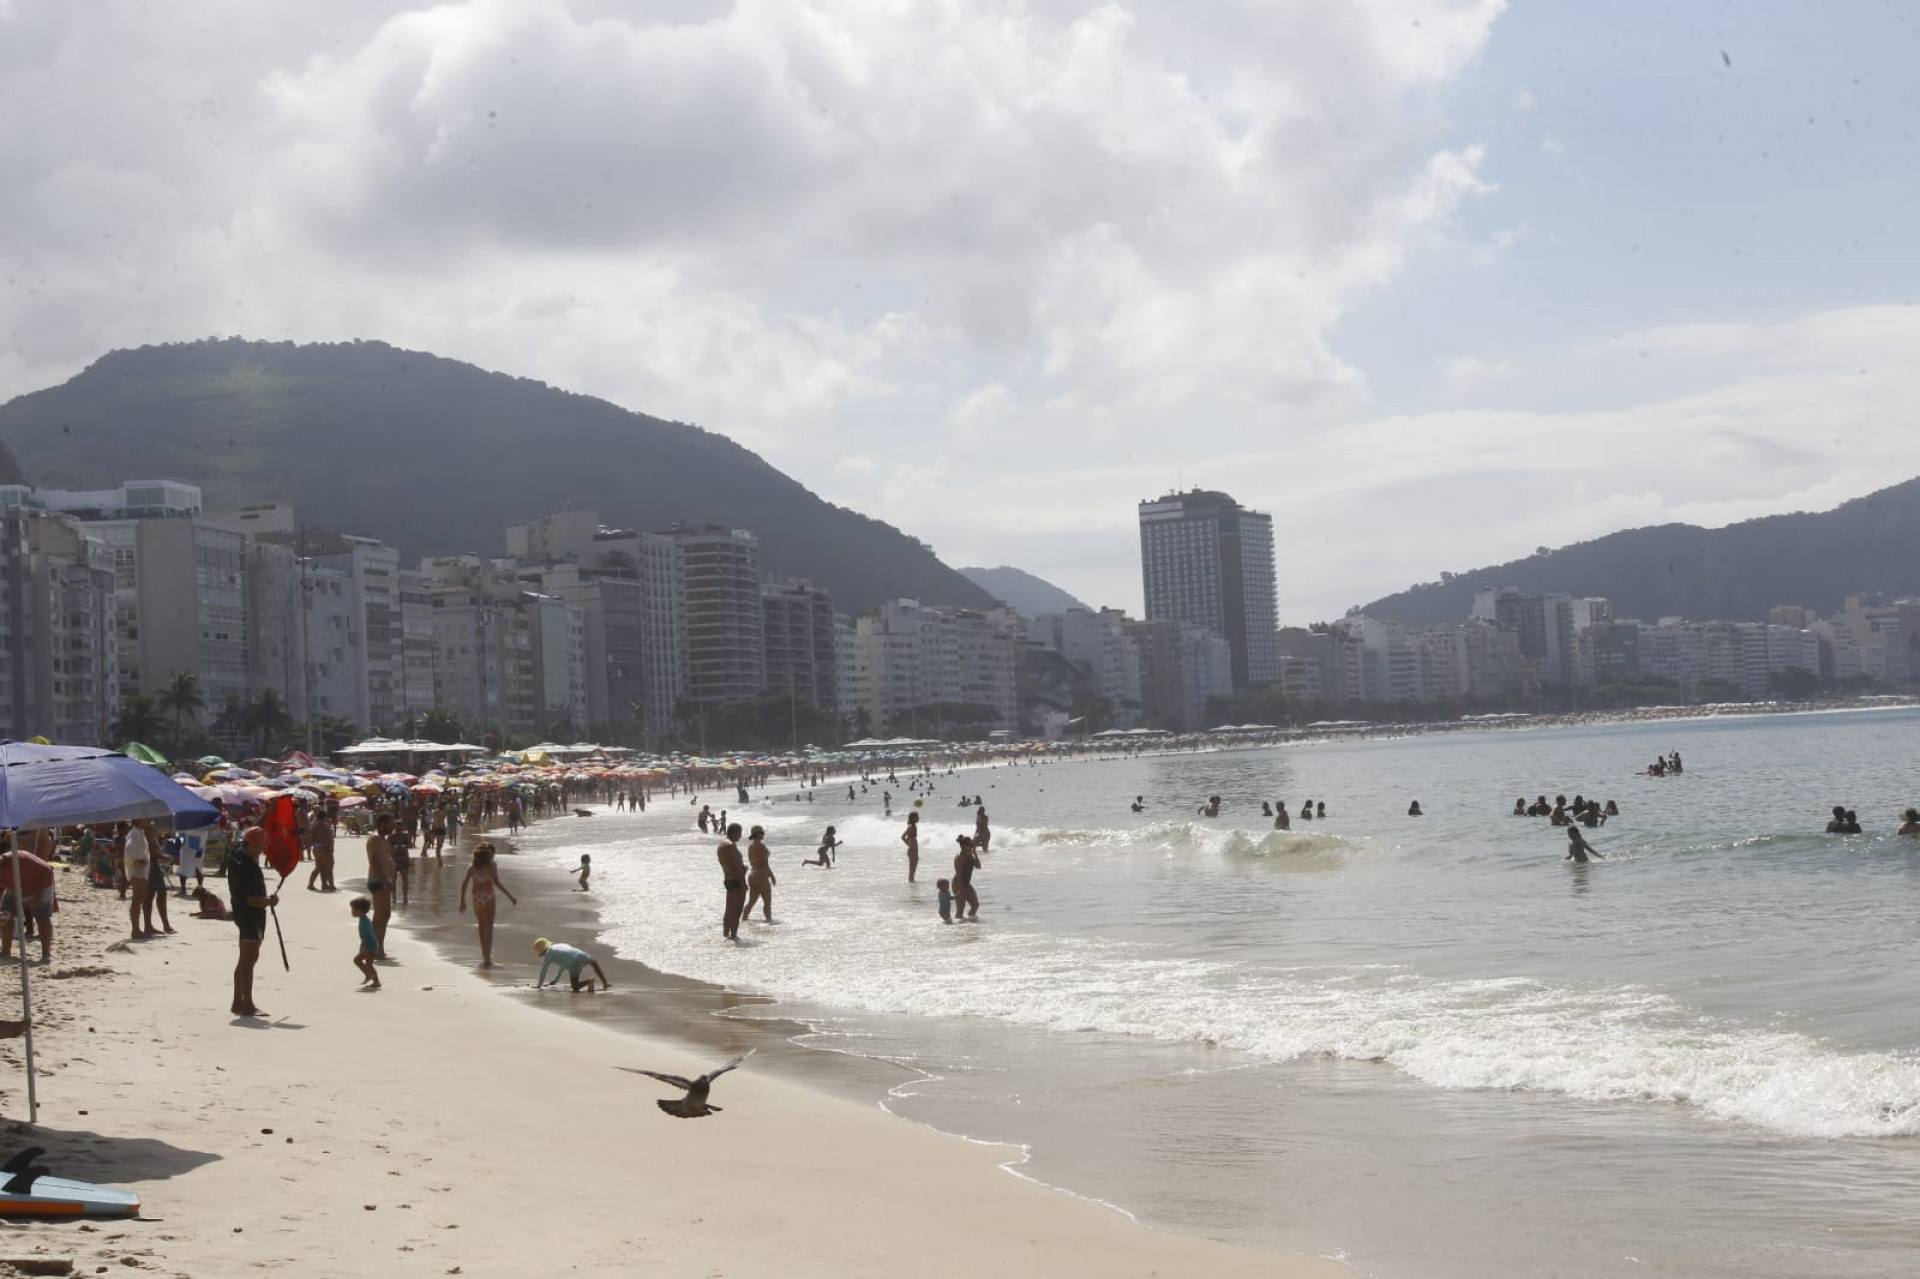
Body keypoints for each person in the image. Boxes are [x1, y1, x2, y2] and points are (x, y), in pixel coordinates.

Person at [225, 827, 278, 1018]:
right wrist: (269, 902)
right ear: (252, 844)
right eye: (261, 846)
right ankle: (247, 1004)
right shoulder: (247, 865)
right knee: (249, 959)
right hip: (250, 914)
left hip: (242, 912)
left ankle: (237, 1001)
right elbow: (251, 899)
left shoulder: (236, 855)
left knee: (245, 959)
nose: (262, 850)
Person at [458, 842, 518, 967]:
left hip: (476, 898)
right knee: (489, 928)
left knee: (481, 926)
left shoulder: (471, 867)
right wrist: (510, 896)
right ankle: (487, 958)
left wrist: (462, 901)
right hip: (489, 897)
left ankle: (484, 955)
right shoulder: (491, 866)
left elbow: (464, 884)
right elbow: (497, 883)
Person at [0, 840, 57, 964]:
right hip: (14, 888)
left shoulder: (20, 860)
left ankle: (46, 954)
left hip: (41, 885)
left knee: (42, 918)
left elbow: (46, 871)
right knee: (5, 916)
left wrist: (38, 894)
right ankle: (5, 951)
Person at [366, 812, 397, 959]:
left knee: (386, 915)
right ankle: (371, 948)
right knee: (380, 915)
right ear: (381, 824)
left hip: (385, 880)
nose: (392, 827)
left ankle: (379, 948)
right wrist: (384, 879)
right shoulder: (375, 839)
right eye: (390, 824)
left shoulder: (384, 840)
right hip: (378, 880)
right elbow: (375, 861)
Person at [532, 937, 609, 992]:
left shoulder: (548, 955)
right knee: (594, 963)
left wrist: (539, 985)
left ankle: (589, 981)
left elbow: (544, 970)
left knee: (575, 987)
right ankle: (605, 983)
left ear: (541, 951)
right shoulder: (559, 945)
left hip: (573, 962)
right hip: (581, 954)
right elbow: (562, 965)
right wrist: (555, 980)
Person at [124, 818, 154, 939]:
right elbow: (129, 849)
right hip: (137, 872)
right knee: (137, 900)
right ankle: (135, 929)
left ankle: (137, 929)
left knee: (139, 899)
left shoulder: (139, 833)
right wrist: (135, 861)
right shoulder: (135, 834)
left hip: (141, 871)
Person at [717, 824, 747, 941]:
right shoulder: (730, 846)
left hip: (729, 879)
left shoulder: (722, 844)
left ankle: (725, 935)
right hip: (736, 880)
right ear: (734, 832)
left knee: (729, 909)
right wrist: (742, 880)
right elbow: (735, 867)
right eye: (739, 833)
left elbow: (729, 865)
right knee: (737, 909)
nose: (740, 836)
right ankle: (733, 936)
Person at [742, 826, 776, 924]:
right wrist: (771, 875)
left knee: (752, 901)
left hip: (752, 874)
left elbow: (752, 860)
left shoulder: (751, 846)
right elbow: (764, 862)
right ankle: (769, 922)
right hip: (761, 874)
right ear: (756, 835)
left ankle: (743, 920)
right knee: (767, 901)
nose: (762, 834)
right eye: (761, 833)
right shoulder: (760, 846)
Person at [351, 896, 381, 990]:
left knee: (366, 964)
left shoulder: (365, 923)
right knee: (360, 962)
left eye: (353, 909)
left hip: (370, 947)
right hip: (367, 946)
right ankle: (374, 980)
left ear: (359, 910)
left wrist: (369, 947)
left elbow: (371, 935)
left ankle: (371, 976)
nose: (352, 912)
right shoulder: (363, 920)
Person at [306, 805, 335, 892]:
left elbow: (311, 837)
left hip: (316, 848)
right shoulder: (325, 826)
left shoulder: (314, 825)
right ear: (324, 817)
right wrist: (330, 849)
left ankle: (312, 884)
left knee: (319, 867)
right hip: (325, 848)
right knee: (329, 868)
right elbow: (329, 838)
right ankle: (331, 885)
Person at [952, 834, 980, 921]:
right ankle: (960, 928)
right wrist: (961, 889)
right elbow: (959, 874)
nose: (971, 846)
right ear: (963, 846)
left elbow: (978, 866)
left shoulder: (970, 855)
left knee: (975, 905)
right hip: (958, 883)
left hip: (966, 883)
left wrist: (975, 854)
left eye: (971, 845)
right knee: (960, 908)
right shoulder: (959, 858)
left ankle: (970, 923)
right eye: (969, 845)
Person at [901, 811, 920, 882]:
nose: (918, 818)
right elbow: (902, 837)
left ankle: (912, 884)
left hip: (915, 850)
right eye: (917, 817)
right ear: (913, 818)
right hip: (912, 850)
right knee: (912, 869)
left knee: (914, 868)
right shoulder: (910, 827)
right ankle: (911, 884)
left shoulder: (914, 826)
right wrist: (909, 845)